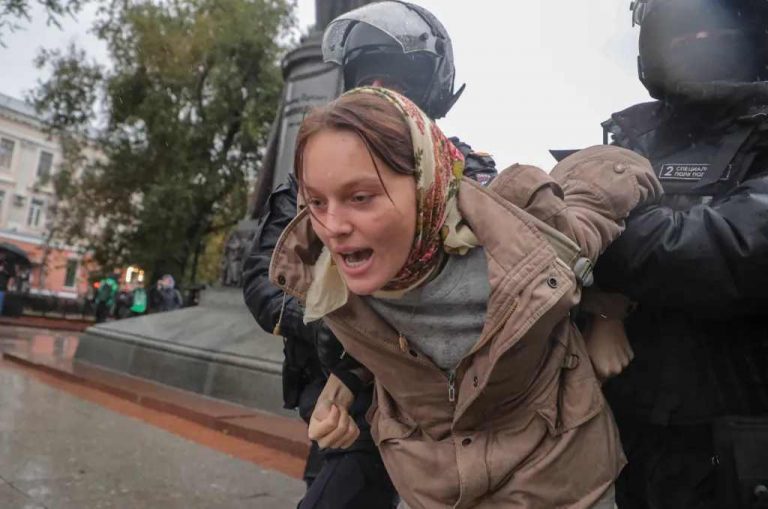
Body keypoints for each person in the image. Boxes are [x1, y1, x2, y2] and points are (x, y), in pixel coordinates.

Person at [269, 87, 662, 508]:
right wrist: (348, 379)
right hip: (433, 490)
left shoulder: (524, 232)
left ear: (424, 182)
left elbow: (612, 177)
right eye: (316, 201)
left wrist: (608, 308)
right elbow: (395, 339)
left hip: (557, 484)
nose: (332, 225)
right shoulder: (327, 275)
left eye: (360, 197)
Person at [242, 3, 496, 507]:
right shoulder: (311, 177)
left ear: (430, 90)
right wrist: (327, 326)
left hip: (431, 404)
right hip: (339, 406)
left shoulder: (469, 174)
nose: (382, 95)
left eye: (397, 83)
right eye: (370, 81)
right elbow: (263, 276)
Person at [580, 1, 768, 507]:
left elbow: (736, 250)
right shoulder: (628, 137)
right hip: (621, 432)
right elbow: (542, 243)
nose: (698, 40)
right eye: (682, 29)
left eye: (716, 29)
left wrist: (600, 242)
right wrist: (600, 306)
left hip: (742, 443)